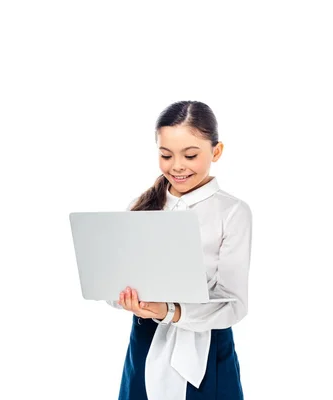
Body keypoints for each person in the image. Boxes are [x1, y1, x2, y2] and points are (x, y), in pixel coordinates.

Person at [112, 101, 252, 400]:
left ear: (216, 151)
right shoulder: (140, 208)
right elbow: (113, 286)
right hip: (145, 342)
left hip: (208, 347)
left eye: (190, 155)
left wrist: (172, 311)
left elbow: (234, 304)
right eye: (166, 155)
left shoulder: (232, 212)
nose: (176, 165)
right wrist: (125, 299)